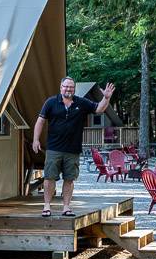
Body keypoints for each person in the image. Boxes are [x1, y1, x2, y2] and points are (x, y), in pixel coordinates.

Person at [33, 77, 115, 216]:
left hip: (72, 150)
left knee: (69, 179)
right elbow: (40, 121)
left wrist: (106, 98)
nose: (68, 89)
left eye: (71, 87)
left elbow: (99, 109)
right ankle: (47, 206)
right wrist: (36, 139)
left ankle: (66, 207)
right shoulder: (51, 102)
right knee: (49, 178)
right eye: (66, 86)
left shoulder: (81, 102)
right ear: (61, 87)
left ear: (74, 89)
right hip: (54, 148)